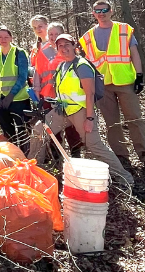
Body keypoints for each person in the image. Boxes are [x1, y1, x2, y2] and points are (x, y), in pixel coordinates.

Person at [29, 34, 134, 185]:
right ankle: (34, 172)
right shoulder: (62, 66)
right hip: (63, 110)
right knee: (39, 130)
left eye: (67, 45)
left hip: (82, 111)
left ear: (74, 46)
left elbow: (89, 94)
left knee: (94, 145)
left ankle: (124, 177)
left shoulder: (82, 65)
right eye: (60, 46)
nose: (64, 49)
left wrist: (90, 119)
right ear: (57, 49)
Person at [79, 0, 145, 170]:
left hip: (125, 82)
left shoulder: (123, 29)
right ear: (93, 13)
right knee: (112, 123)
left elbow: (134, 54)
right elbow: (87, 63)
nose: (102, 13)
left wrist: (139, 76)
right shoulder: (88, 37)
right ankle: (121, 156)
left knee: (135, 119)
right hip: (103, 85)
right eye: (98, 10)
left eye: (105, 9)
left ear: (111, 11)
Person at [34, 22, 83, 157]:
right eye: (51, 34)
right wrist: (36, 91)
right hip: (48, 95)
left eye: (56, 34)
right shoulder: (42, 51)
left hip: (67, 97)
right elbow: (37, 72)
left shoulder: (68, 50)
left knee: (71, 127)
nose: (53, 37)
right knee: (51, 128)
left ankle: (76, 152)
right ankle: (56, 155)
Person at [0, 26, 31, 154]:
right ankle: (12, 155)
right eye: (0, 37)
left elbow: (22, 76)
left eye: (6, 37)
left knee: (23, 130)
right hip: (0, 101)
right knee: (7, 131)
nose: (3, 39)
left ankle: (26, 156)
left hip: (18, 99)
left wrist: (11, 95)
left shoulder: (19, 53)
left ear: (11, 38)